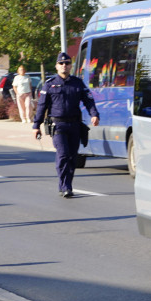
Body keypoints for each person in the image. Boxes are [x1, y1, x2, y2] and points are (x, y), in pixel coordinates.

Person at [32, 52, 100, 198]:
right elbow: (41, 106)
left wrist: (94, 114)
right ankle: (64, 186)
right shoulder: (49, 84)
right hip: (58, 125)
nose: (64, 66)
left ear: (71, 66)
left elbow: (88, 100)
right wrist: (36, 125)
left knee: (72, 157)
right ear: (57, 66)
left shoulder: (77, 83)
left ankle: (67, 183)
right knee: (63, 155)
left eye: (67, 63)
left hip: (75, 125)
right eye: (61, 63)